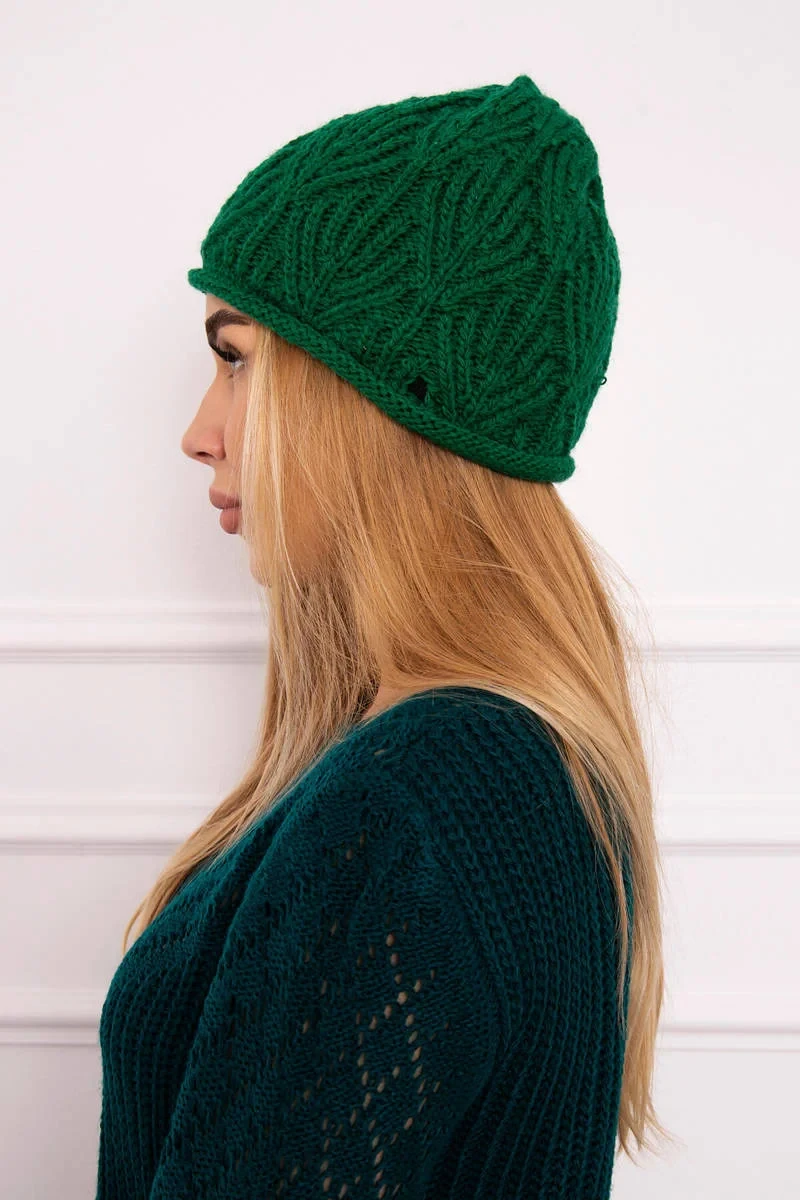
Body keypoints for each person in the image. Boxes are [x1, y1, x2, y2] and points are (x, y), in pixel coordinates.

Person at [95, 74, 677, 1199]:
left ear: (370, 397)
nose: (199, 432)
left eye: (236, 358)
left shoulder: (414, 795)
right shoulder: (497, 764)